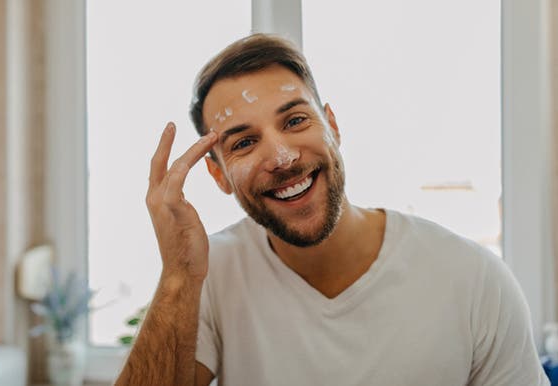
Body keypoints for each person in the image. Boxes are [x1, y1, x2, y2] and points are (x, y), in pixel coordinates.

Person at [114, 33, 550, 386]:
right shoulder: (209, 276)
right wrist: (178, 275)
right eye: (245, 142)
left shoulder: (473, 280)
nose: (282, 157)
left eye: (295, 121)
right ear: (219, 176)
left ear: (333, 126)